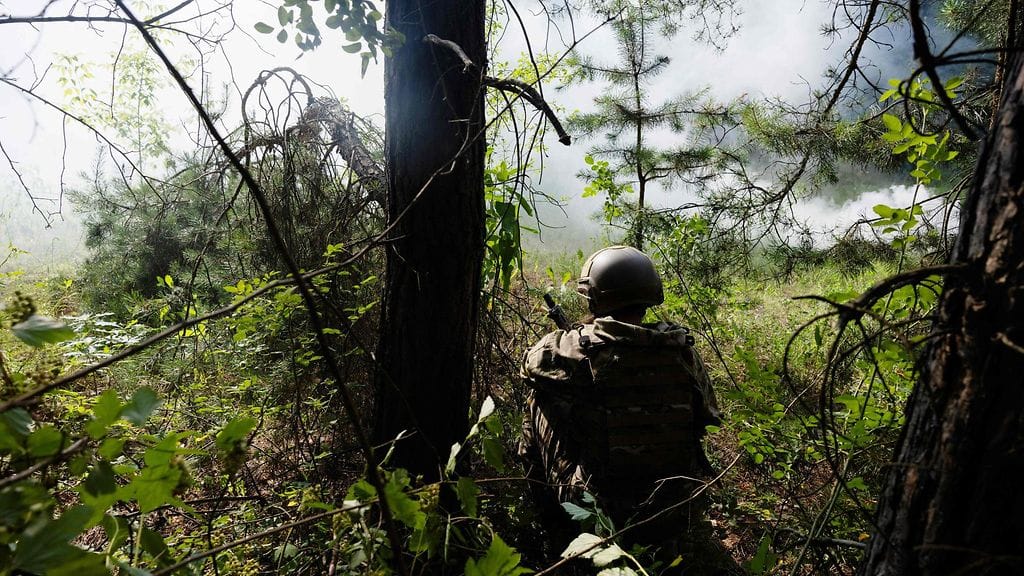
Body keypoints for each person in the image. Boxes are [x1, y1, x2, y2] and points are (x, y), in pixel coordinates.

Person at [520, 245, 736, 574]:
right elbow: (708, 419)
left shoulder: (580, 348)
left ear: (595, 298)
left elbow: (530, 364)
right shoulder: (681, 351)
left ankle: (553, 525)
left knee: (538, 399)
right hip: (672, 509)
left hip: (603, 513)